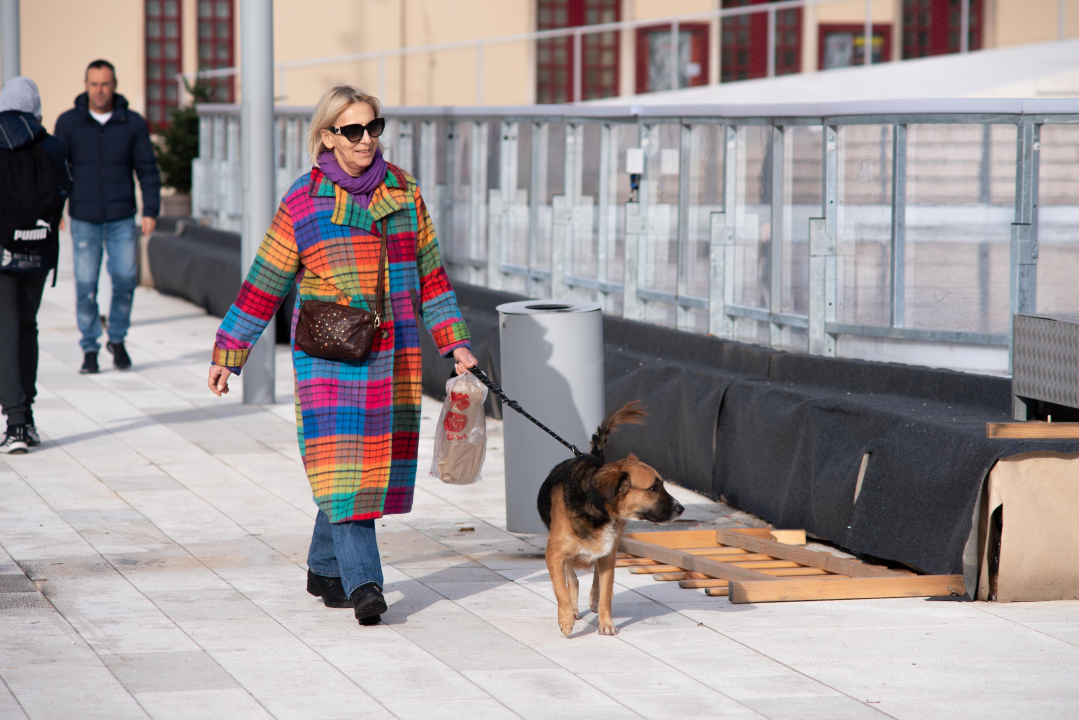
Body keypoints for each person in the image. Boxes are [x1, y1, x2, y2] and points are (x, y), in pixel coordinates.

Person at [206, 86, 478, 626]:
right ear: (328, 135)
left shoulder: (404, 193)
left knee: (354, 470)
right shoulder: (303, 201)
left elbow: (431, 276)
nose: (365, 141)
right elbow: (266, 280)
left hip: (393, 354)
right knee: (346, 464)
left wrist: (455, 341)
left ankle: (325, 568)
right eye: (352, 131)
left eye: (373, 128)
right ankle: (365, 583)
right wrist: (230, 351)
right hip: (328, 357)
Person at [54, 59, 160, 375]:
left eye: (105, 84)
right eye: (94, 84)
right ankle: (89, 347)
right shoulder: (69, 122)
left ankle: (117, 338)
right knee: (86, 284)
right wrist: (56, 208)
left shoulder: (133, 122)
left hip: (121, 217)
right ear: (85, 85)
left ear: (114, 85)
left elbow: (148, 170)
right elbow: (58, 169)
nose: (99, 90)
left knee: (125, 279)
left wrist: (150, 210)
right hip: (84, 217)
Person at [0, 77, 72, 454]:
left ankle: (13, 422)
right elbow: (65, 190)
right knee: (27, 327)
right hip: (39, 248)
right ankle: (25, 419)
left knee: (5, 330)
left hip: (0, 250)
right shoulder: (53, 146)